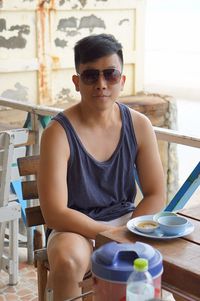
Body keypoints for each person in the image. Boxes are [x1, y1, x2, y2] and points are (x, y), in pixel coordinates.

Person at [38, 33, 165, 301]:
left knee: (167, 262)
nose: (102, 84)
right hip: (74, 227)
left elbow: (155, 193)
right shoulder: (57, 133)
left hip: (126, 222)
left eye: (110, 74)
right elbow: (55, 212)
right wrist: (109, 235)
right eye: (90, 76)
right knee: (67, 261)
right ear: (76, 82)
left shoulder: (139, 125)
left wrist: (128, 231)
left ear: (122, 80)